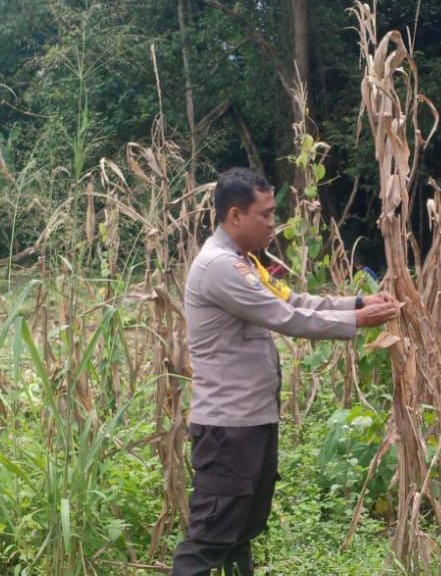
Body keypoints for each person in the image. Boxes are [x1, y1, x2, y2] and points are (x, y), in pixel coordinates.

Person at [172, 168, 403, 575]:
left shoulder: (246, 263)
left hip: (251, 422)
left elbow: (294, 300)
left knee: (241, 531)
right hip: (228, 428)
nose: (272, 223)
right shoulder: (219, 266)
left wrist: (357, 302)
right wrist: (358, 321)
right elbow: (287, 318)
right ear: (235, 215)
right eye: (264, 214)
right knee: (210, 538)